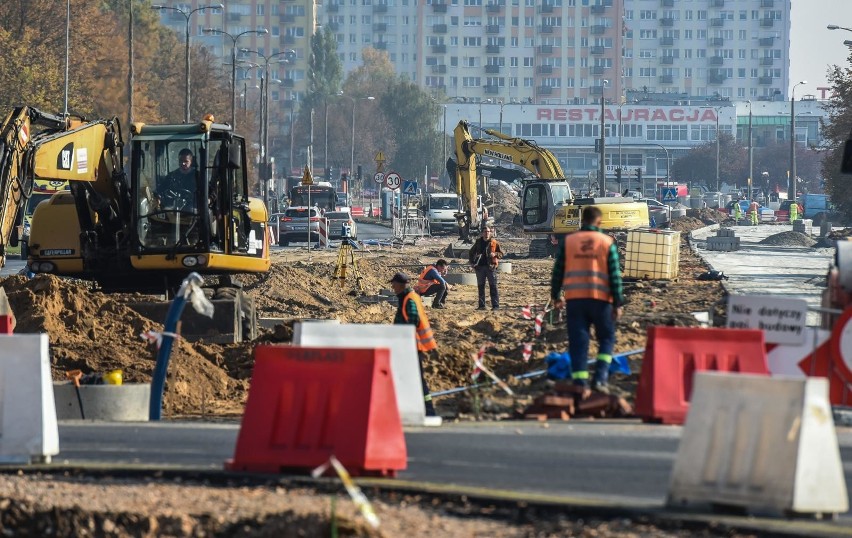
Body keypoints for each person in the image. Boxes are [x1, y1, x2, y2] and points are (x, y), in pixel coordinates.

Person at [551, 206, 624, 399]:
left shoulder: (569, 241)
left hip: (575, 300)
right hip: (601, 301)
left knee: (578, 342)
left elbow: (558, 271)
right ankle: (600, 379)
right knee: (607, 338)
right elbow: (615, 276)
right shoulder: (607, 242)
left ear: (582, 220)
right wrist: (618, 303)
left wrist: (556, 295)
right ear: (599, 222)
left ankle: (579, 383)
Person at [391, 272, 438, 417]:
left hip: (412, 346)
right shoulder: (409, 297)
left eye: (394, 284)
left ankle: (428, 412)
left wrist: (402, 339)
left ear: (401, 285)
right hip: (411, 346)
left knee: (416, 378)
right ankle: (423, 410)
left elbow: (412, 321)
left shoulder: (409, 299)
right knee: (415, 378)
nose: (392, 287)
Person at [469, 227, 503, 310]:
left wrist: (495, 254)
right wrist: (473, 263)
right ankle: (482, 306)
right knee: (481, 287)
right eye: (485, 232)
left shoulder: (494, 242)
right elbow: (471, 252)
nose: (487, 233)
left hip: (491, 267)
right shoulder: (478, 242)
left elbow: (501, 254)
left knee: (493, 286)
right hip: (480, 268)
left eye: (488, 232)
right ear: (482, 233)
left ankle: (495, 306)